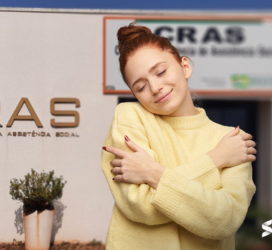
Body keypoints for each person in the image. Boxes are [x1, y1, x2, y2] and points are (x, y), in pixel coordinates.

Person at [100, 22, 257, 250]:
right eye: (141, 87)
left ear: (184, 66)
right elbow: (140, 204)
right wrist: (215, 160)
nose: (155, 87)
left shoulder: (233, 140)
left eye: (161, 72)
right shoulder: (131, 116)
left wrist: (152, 172)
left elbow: (224, 220)